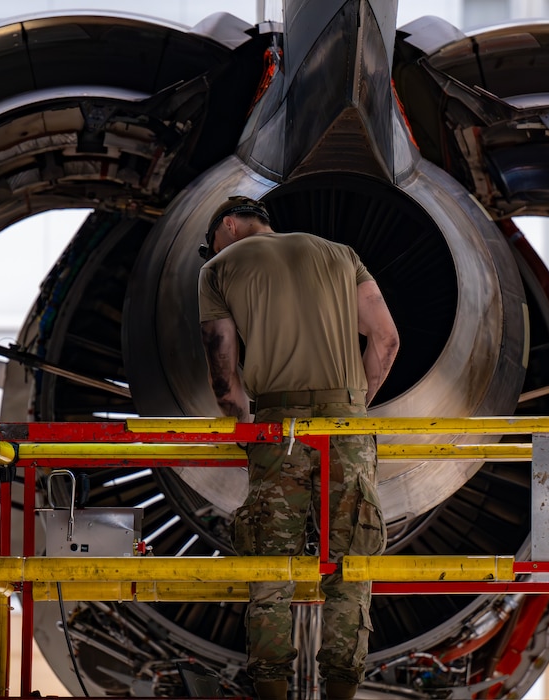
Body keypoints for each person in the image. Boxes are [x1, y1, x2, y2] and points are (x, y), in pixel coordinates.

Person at [197, 195, 399, 700]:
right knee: (351, 566)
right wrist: (355, 408)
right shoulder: (340, 254)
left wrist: (245, 431)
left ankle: (270, 690)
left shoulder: (218, 269)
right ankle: (341, 690)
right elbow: (386, 339)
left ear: (227, 225)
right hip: (346, 424)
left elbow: (224, 374)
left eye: (211, 242)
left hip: (277, 427)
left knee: (270, 566)